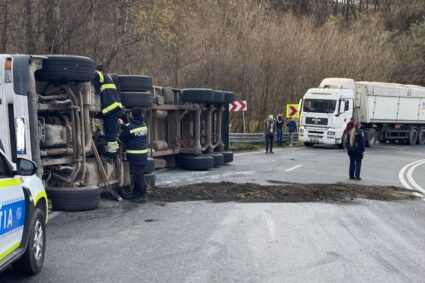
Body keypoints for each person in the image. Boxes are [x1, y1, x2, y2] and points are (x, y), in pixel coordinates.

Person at [93, 64, 123, 162]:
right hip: (114, 107)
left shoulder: (99, 75)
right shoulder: (109, 77)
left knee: (111, 134)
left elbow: (96, 86)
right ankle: (111, 153)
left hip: (110, 109)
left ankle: (112, 155)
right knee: (111, 133)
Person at [118, 108, 149, 203]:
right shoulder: (144, 125)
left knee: (138, 176)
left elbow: (121, 139)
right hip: (143, 154)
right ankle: (136, 193)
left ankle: (143, 195)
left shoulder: (130, 128)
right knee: (139, 174)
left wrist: (121, 127)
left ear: (132, 115)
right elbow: (132, 131)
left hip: (135, 156)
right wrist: (124, 125)